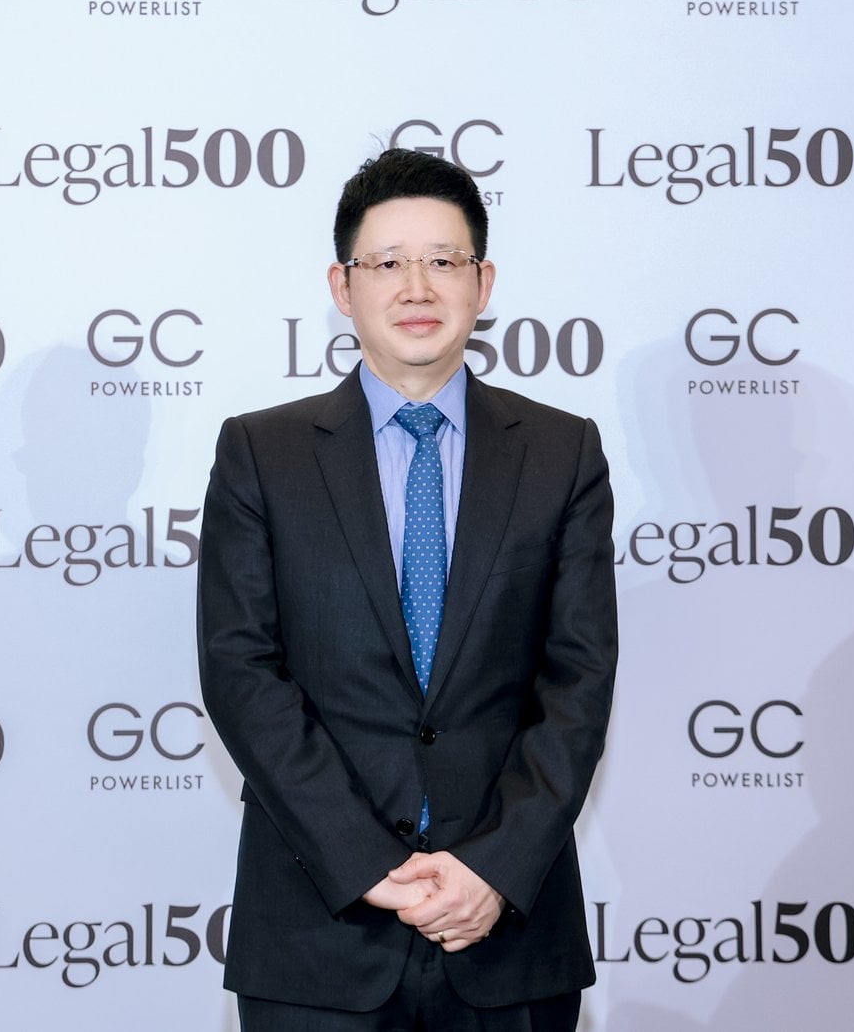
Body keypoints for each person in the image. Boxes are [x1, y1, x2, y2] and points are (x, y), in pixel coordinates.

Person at [197, 147, 617, 1031]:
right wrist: (363, 860)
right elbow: (241, 671)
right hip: (319, 930)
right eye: (387, 262)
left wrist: (493, 867)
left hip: (506, 933)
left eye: (443, 261)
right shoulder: (262, 454)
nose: (417, 287)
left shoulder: (561, 453)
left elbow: (578, 681)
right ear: (343, 287)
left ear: (483, 282)